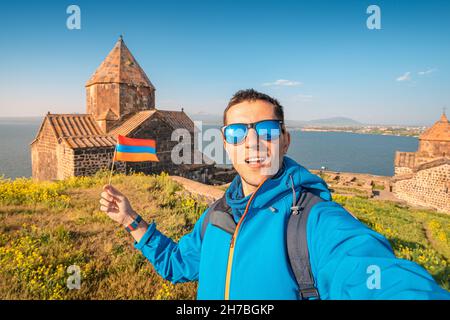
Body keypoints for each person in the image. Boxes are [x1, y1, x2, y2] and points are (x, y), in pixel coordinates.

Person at [100, 89, 450, 300]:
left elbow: (372, 272)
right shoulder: (217, 216)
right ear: (225, 144)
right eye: (237, 132)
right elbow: (178, 265)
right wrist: (131, 220)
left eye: (266, 129)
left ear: (284, 140)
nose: (252, 141)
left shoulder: (312, 220)